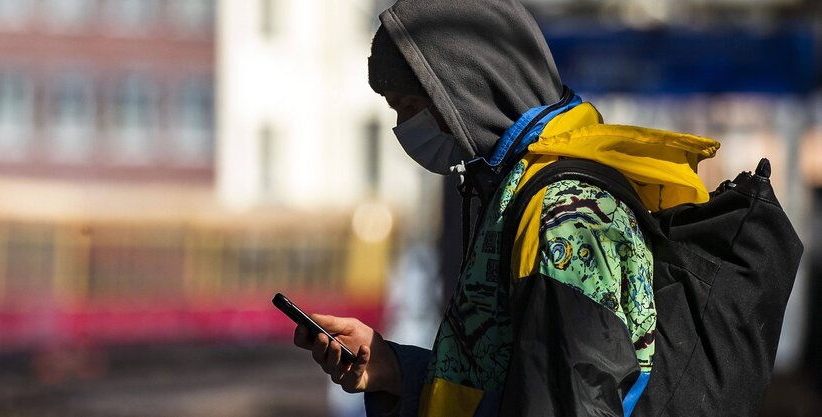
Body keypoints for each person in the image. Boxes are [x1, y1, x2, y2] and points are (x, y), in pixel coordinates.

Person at [293, 0, 719, 416]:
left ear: (464, 91)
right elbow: (507, 384)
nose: (404, 128)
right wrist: (396, 371)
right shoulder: (522, 191)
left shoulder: (563, 215)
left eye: (409, 107)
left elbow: (569, 401)